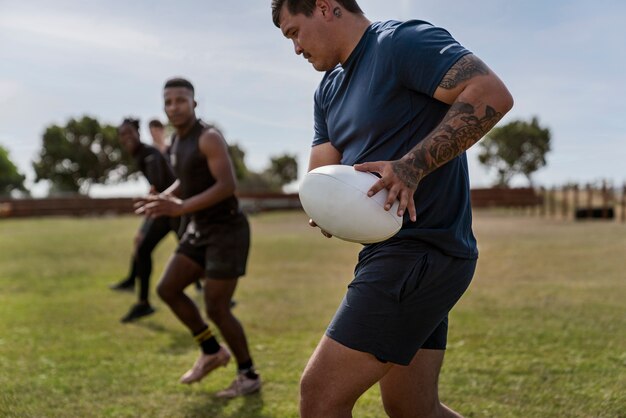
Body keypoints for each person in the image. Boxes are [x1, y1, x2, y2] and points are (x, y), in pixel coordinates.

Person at [272, 1, 513, 417]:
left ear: (326, 8)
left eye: (295, 32)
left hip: (423, 251)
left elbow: (492, 94)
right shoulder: (328, 91)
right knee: (413, 409)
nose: (295, 48)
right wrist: (326, 205)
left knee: (320, 398)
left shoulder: (400, 42)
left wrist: (411, 166)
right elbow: (322, 172)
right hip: (384, 254)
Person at [134, 77, 261, 398]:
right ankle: (211, 351)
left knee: (217, 307)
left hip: (227, 231)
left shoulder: (209, 138)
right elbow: (185, 180)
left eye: (180, 100)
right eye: (168, 102)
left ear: (194, 103)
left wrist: (180, 208)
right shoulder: (175, 143)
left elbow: (226, 186)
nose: (174, 107)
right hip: (199, 229)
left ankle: (248, 374)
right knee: (167, 288)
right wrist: (164, 198)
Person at [112, 118, 181, 323]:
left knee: (192, 253)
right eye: (123, 134)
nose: (127, 137)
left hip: (173, 209)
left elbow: (160, 182)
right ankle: (143, 303)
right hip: (164, 209)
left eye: (130, 132)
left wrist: (152, 196)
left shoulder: (149, 155)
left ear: (137, 133)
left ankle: (220, 294)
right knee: (142, 249)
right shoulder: (142, 154)